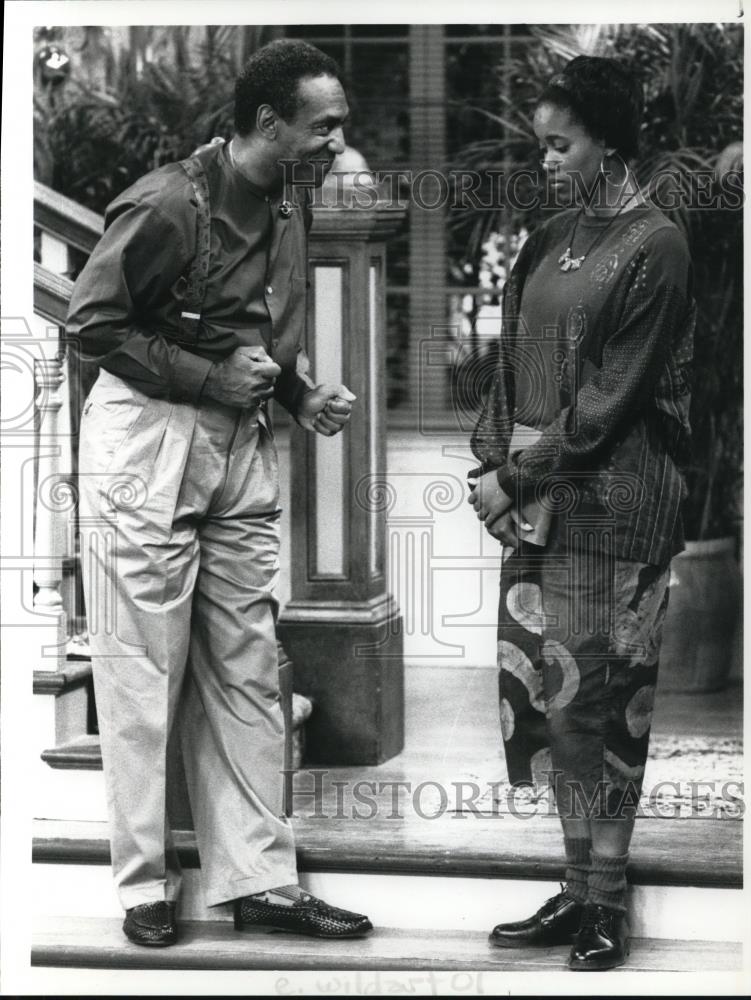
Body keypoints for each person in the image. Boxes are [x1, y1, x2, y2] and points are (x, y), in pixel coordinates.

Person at [67, 39, 372, 947]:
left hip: (238, 442)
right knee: (142, 674)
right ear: (267, 123)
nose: (337, 140)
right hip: (148, 444)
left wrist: (297, 392)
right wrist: (208, 383)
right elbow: (90, 324)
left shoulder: (287, 197)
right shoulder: (166, 203)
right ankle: (143, 887)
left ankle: (260, 879)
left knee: (246, 664)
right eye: (323, 125)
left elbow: (250, 330)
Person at [468, 56, 694, 971]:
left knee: (607, 703)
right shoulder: (548, 232)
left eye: (560, 144)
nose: (548, 160)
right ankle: (571, 889)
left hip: (618, 503)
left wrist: (517, 474)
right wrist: (493, 468)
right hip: (541, 504)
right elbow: (507, 364)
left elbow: (612, 400)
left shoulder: (658, 244)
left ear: (607, 136)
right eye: (542, 144)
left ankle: (609, 897)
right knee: (549, 698)